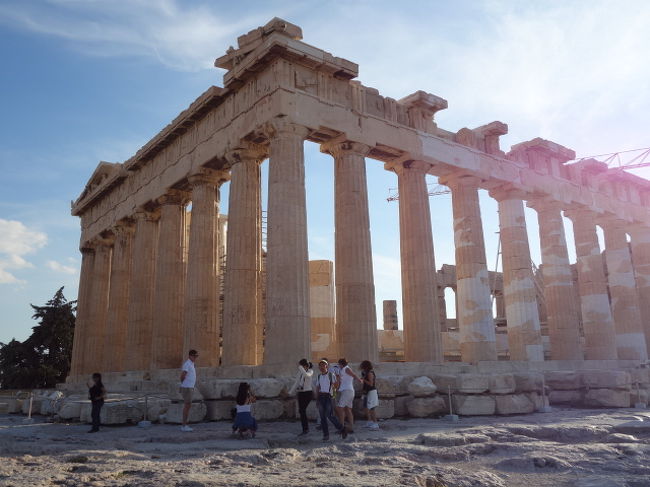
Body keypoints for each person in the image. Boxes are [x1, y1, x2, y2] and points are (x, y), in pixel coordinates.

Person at [315, 359, 347, 441]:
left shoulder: (331, 375)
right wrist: (317, 398)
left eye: (323, 365)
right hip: (321, 396)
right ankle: (326, 435)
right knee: (322, 417)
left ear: (327, 366)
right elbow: (318, 387)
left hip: (329, 396)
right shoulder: (319, 376)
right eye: (320, 365)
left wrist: (333, 393)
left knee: (330, 415)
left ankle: (342, 429)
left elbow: (336, 384)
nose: (322, 367)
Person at [335, 358, 362, 433]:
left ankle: (342, 427)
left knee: (340, 408)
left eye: (339, 364)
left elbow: (353, 374)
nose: (338, 365)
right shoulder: (342, 370)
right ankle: (351, 427)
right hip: (347, 391)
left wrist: (359, 380)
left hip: (347, 391)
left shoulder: (346, 369)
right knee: (347, 409)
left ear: (341, 364)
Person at [289, 358, 314, 436]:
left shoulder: (310, 371)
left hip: (308, 393)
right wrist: (290, 392)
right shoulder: (300, 372)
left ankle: (306, 429)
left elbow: (307, 375)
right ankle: (305, 429)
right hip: (301, 393)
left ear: (305, 366)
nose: (299, 367)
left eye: (301, 366)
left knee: (302, 410)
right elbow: (296, 383)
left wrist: (301, 368)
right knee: (301, 411)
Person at [179, 349, 198, 432]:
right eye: (194, 356)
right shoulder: (187, 364)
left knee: (188, 406)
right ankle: (184, 426)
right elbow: (183, 375)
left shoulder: (191, 364)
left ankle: (184, 424)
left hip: (190, 387)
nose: (195, 358)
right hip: (187, 387)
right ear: (190, 356)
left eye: (196, 356)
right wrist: (184, 383)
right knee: (187, 406)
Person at [360, 360, 379, 430]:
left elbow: (371, 384)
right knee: (366, 407)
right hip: (366, 392)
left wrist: (364, 380)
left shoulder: (370, 373)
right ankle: (369, 421)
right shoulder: (365, 373)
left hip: (371, 392)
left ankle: (375, 423)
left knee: (371, 408)